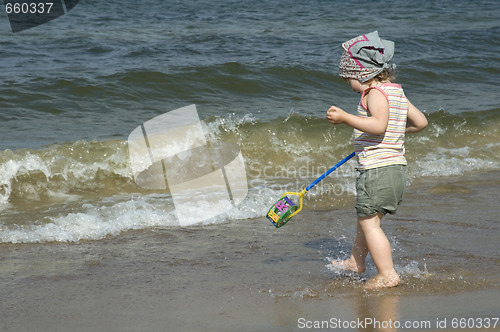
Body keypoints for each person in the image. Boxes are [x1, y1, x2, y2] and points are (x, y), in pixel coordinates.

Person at [326, 31, 428, 289]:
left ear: (361, 74)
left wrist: (346, 118)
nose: (348, 84)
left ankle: (387, 273)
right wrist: (398, 132)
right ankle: (355, 261)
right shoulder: (396, 92)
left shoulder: (373, 93)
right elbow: (421, 122)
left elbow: (378, 125)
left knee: (369, 223)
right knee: (367, 219)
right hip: (395, 168)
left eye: (348, 78)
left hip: (377, 170)